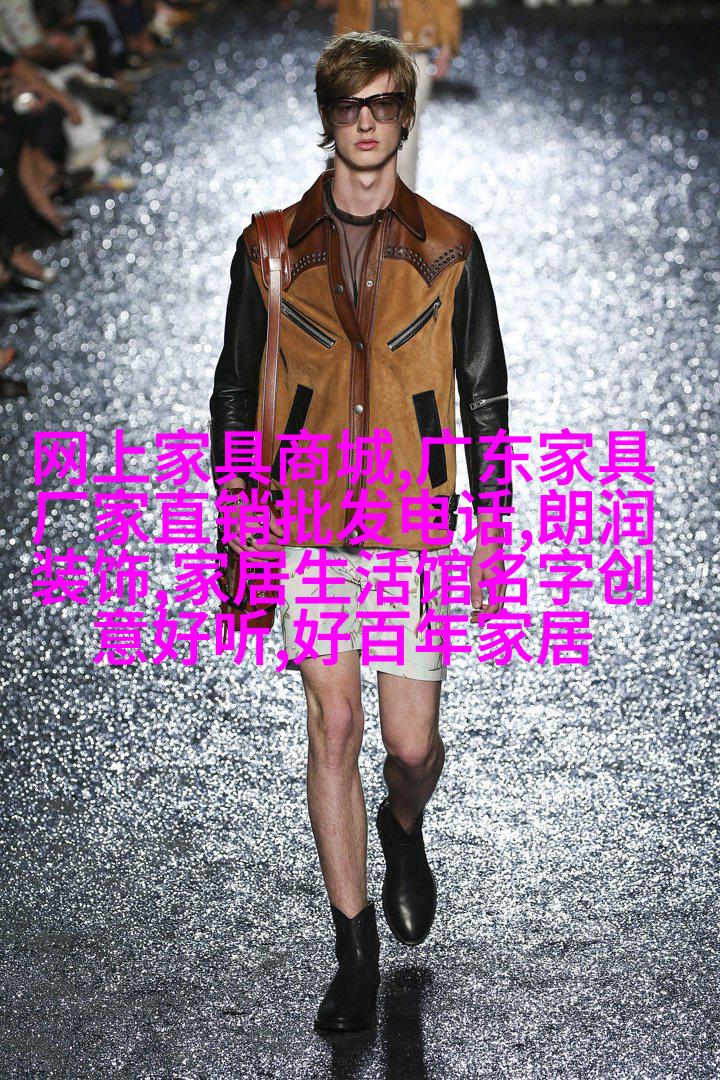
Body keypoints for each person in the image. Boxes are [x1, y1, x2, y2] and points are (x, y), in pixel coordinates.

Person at [209, 30, 512, 1033]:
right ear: (328, 117)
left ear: (407, 116)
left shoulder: (451, 246)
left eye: (385, 104)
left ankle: (403, 820)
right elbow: (233, 390)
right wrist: (238, 513)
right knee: (333, 725)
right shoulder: (269, 246)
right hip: (304, 521)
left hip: (412, 526)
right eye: (351, 105)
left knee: (410, 744)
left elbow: (483, 392)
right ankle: (353, 950)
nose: (368, 121)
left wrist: (491, 527)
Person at [317, 0, 461, 189]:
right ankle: (354, 199)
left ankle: (401, 202)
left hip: (412, 51)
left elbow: (446, 4)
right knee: (352, 132)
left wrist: (447, 46)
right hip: (359, 53)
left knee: (405, 137)